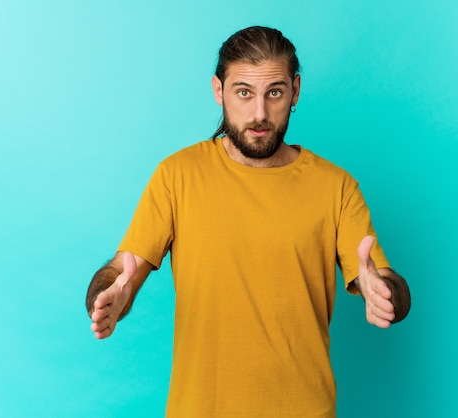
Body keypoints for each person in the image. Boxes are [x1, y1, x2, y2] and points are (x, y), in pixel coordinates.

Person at [86, 26, 411, 417]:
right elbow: (123, 270)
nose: (259, 113)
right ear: (218, 91)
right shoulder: (177, 176)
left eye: (274, 92)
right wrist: (109, 298)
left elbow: (381, 277)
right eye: (244, 92)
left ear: (295, 91)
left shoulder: (335, 187)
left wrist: (386, 292)